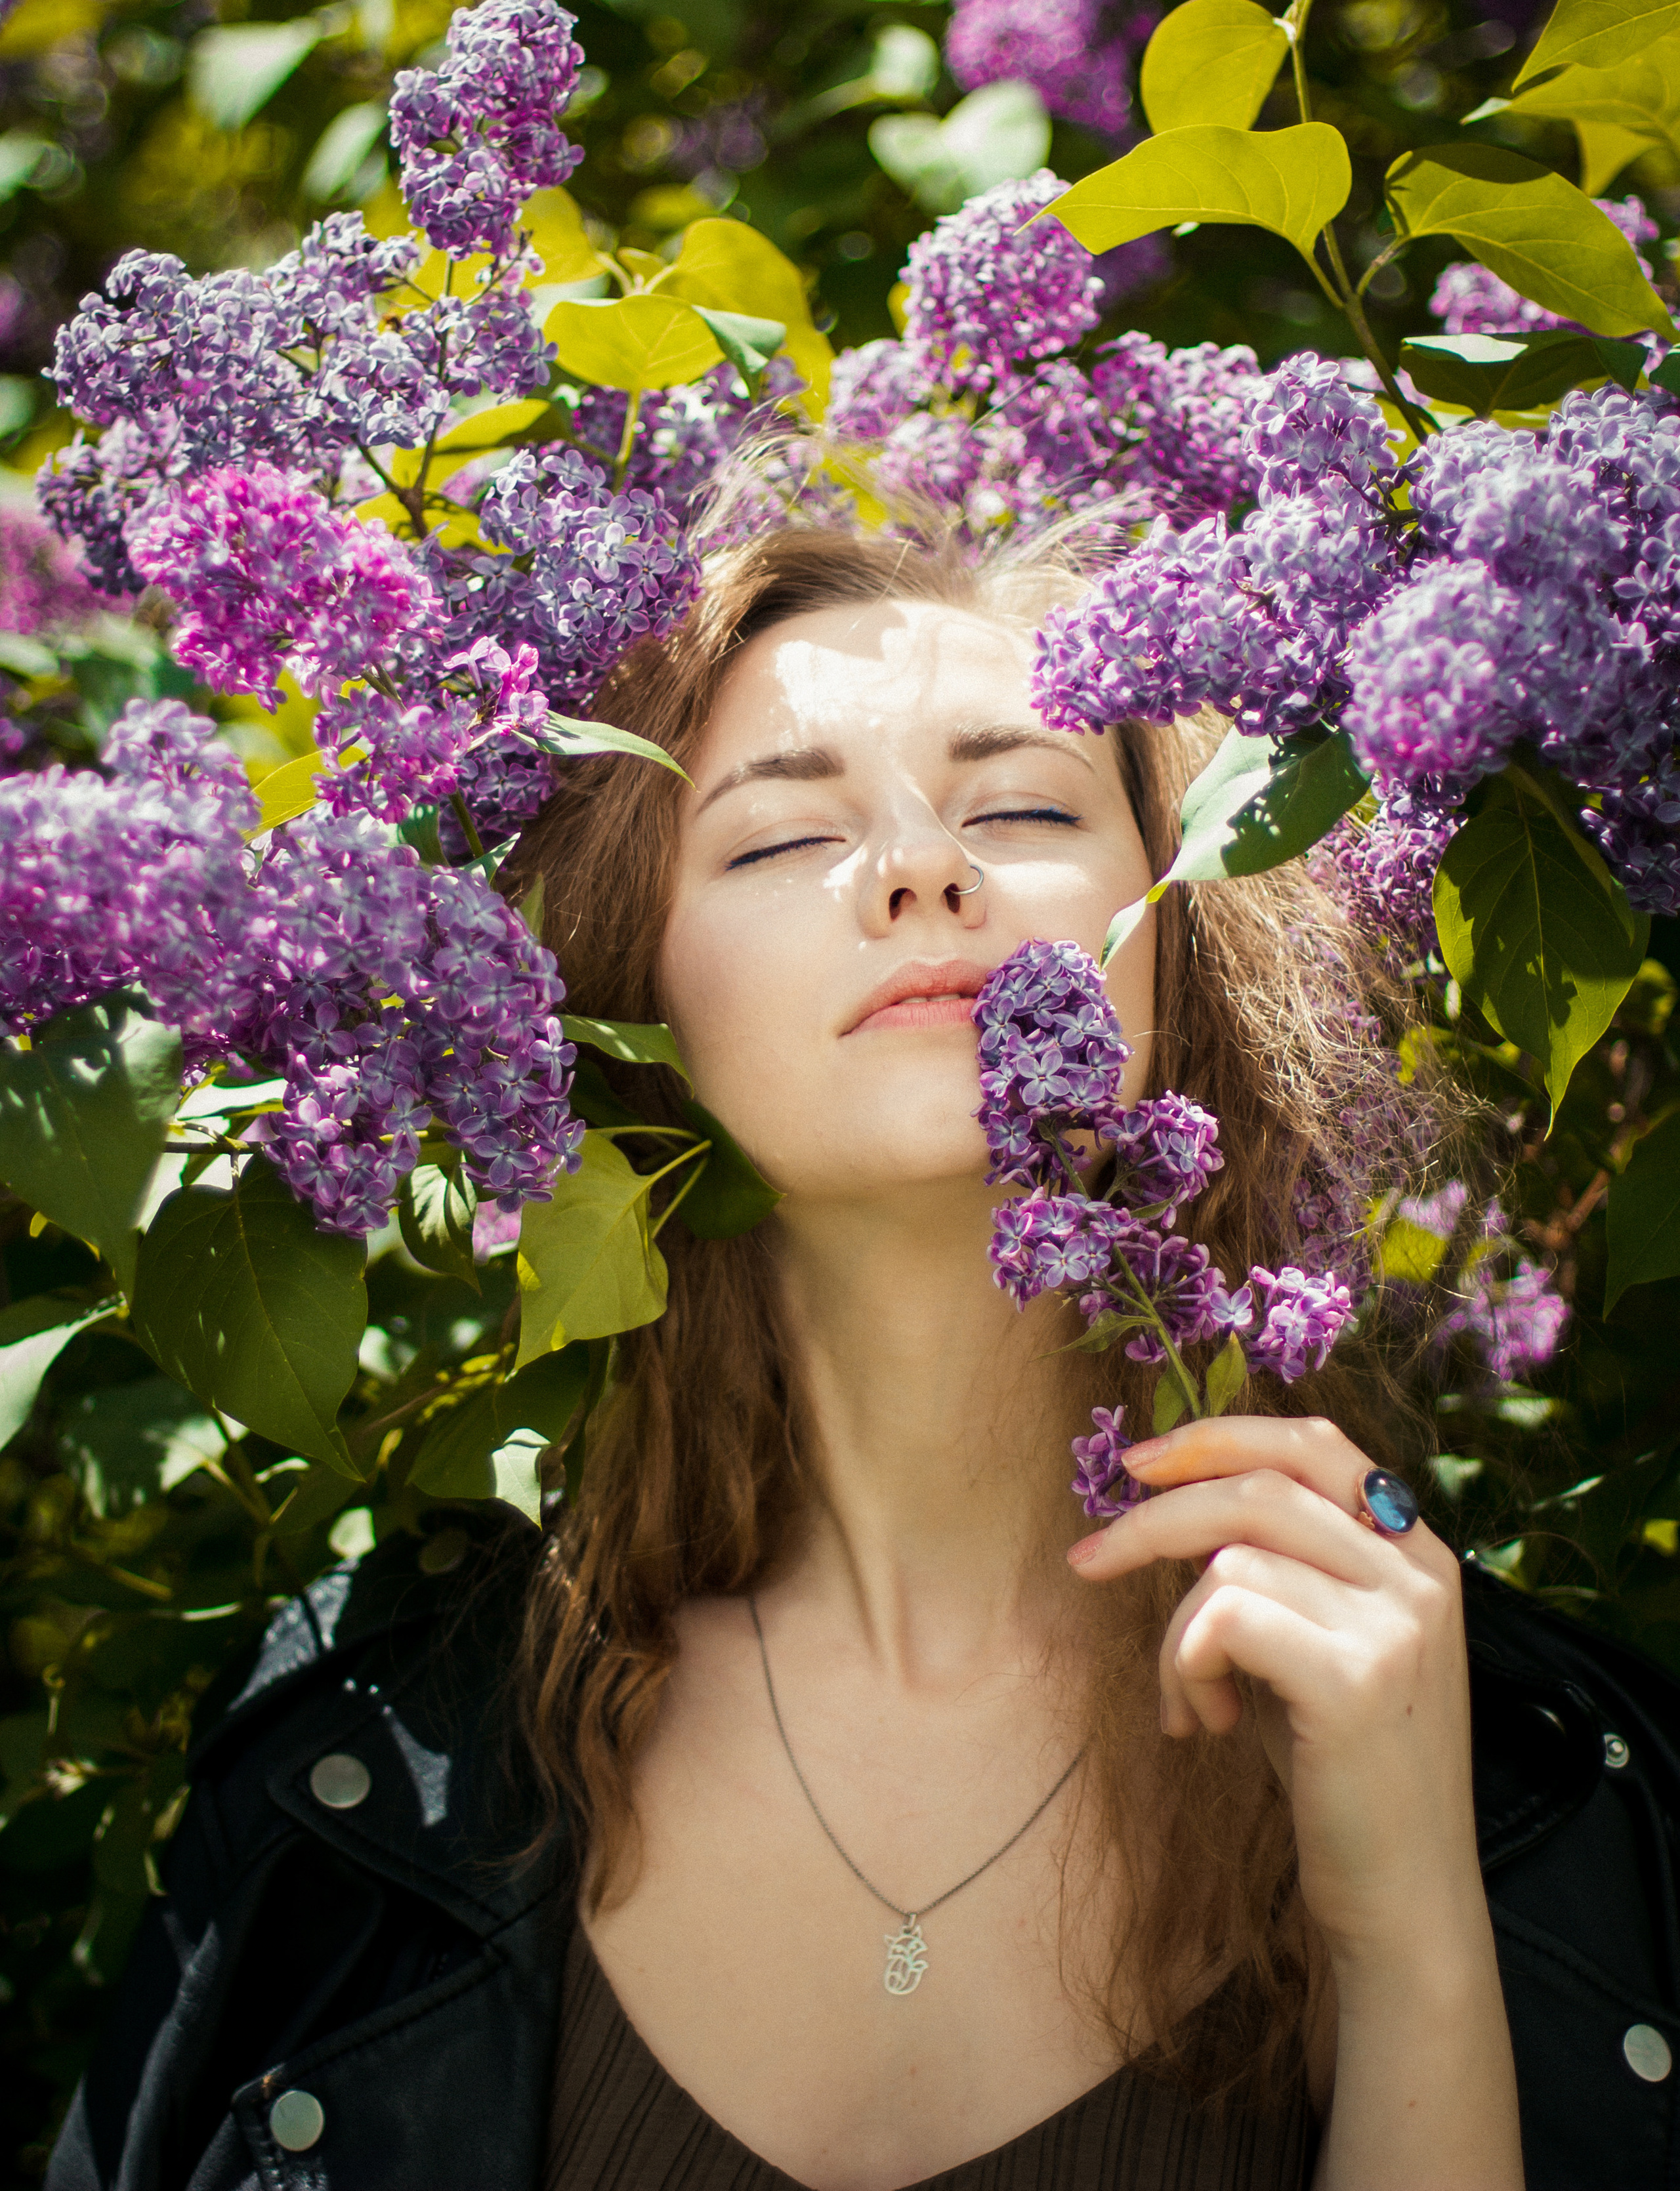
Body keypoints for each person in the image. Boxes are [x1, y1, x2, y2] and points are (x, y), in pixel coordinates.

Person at [48, 529, 1680, 2191]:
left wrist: (1409, 1926)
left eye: (1023, 810)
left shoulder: (1513, 1769)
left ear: (1182, 931)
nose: (916, 872)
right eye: (782, 834)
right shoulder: (367, 1762)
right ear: (634, 996)